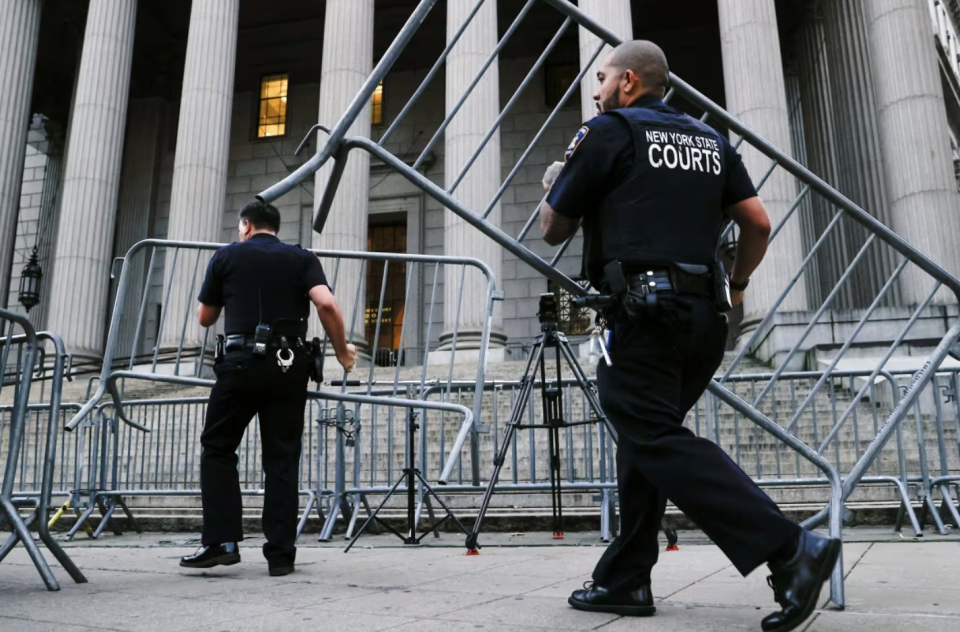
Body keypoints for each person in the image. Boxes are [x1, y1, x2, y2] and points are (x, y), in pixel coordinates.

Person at [539, 41, 840, 632]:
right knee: (646, 436)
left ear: (628, 82)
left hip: (644, 314)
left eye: (601, 79)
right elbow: (756, 221)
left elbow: (552, 228)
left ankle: (790, 549)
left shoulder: (609, 131)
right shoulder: (709, 140)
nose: (596, 90)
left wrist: (561, 181)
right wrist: (738, 283)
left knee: (649, 433)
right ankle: (625, 577)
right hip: (706, 317)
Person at [180, 200, 357, 576]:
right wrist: (342, 351)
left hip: (240, 362)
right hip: (288, 364)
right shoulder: (301, 257)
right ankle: (280, 555)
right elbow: (326, 304)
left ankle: (222, 541)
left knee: (218, 447)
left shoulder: (226, 256)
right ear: (275, 227)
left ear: (246, 226)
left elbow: (205, 317)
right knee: (281, 457)